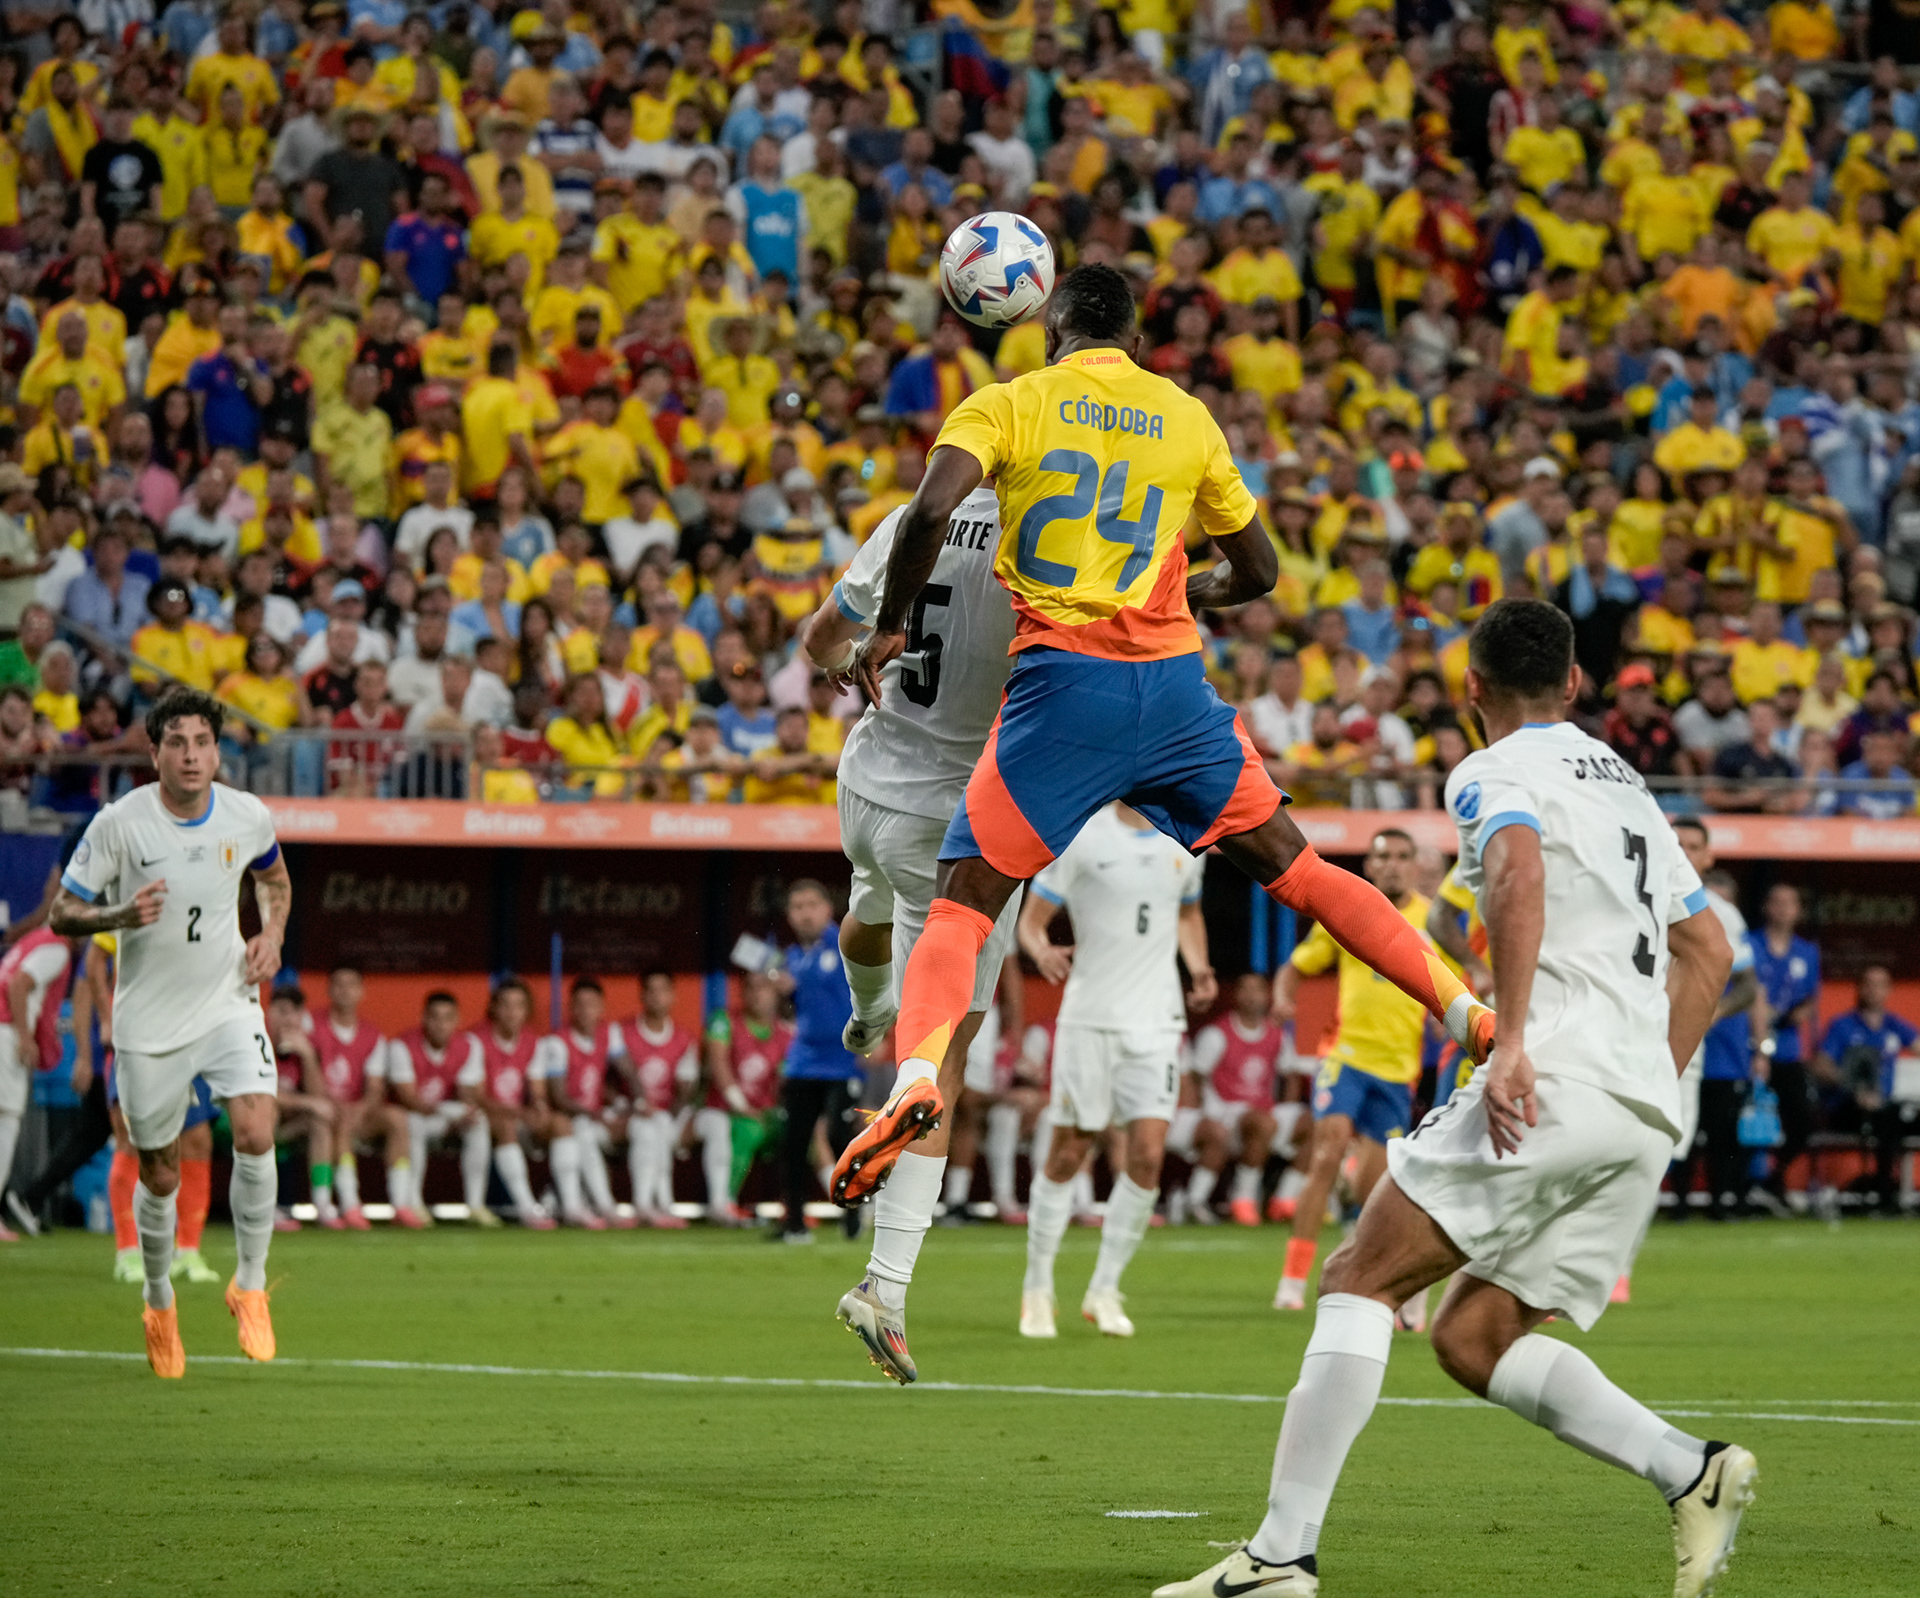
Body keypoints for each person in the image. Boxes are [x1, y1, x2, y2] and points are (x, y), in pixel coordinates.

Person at [829, 265, 1494, 1215]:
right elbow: (1258, 569)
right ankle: (1467, 1011)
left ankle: (916, 1077)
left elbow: (932, 511)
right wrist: (1195, 592)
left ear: (1051, 328)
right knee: (1307, 877)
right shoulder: (1187, 417)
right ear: (1138, 340)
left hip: (1064, 692)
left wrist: (892, 624)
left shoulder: (1011, 401)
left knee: (961, 908)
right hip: (1177, 695)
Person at [1154, 600, 1751, 1598]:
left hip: (1550, 1079)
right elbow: (1711, 950)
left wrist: (1510, 1039)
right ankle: (1691, 1469)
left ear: (1471, 688)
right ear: (1573, 683)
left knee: (1357, 1276)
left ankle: (1279, 1555)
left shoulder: (1488, 769)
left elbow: (1515, 869)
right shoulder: (1629, 785)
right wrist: (1651, 1076)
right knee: (1473, 1336)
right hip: (1641, 1107)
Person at [796, 483, 1023, 1382]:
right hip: (951, 822)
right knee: (943, 1054)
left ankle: (864, 1014)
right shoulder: (1050, 543)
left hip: (864, 782)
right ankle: (885, 1287)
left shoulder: (909, 517)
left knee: (868, 911)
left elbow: (820, 641)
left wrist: (854, 659)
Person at [49, 687, 292, 1379]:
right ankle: (159, 1303)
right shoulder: (120, 824)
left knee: (255, 1130)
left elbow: (276, 882)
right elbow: (64, 912)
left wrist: (270, 934)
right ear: (153, 753)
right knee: (157, 1173)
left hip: (227, 1003)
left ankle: (249, 1285)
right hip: (149, 1024)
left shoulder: (246, 815)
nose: (191, 755)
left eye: (202, 742)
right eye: (177, 743)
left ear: (219, 751)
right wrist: (120, 916)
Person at [1012, 801, 1212, 1339]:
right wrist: (1043, 951)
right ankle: (1037, 1287)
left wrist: (1198, 967)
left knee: (1147, 1155)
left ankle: (1105, 1288)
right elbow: (1032, 923)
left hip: (1158, 1021)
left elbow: (1188, 912)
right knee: (1070, 1150)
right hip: (1091, 1019)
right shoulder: (1081, 834)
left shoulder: (1185, 840)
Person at [1270, 827, 1434, 1311]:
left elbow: (1454, 979)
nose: (1393, 865)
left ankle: (1361, 1255)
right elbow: (1297, 965)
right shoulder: (1349, 910)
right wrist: (1283, 996)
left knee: (1376, 1192)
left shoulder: (1434, 920)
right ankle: (1292, 1282)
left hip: (1398, 1071)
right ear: (1370, 865)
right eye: (1384, 856)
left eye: (1403, 856)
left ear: (1414, 864)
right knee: (1325, 1153)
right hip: (1345, 1057)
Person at [770, 879, 862, 1244]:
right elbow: (789, 1012)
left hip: (843, 1060)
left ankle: (855, 1211)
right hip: (803, 1061)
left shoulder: (847, 943)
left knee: (841, 1137)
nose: (804, 913)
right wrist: (784, 994)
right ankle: (794, 1223)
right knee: (792, 1143)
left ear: (828, 909)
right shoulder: (791, 957)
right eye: (797, 907)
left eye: (811, 905)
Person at [380, 991, 497, 1229]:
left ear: (457, 1020)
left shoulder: (469, 1045)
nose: (441, 1024)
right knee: (410, 1122)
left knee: (478, 1121)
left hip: (443, 1116)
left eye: (447, 1018)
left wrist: (465, 1113)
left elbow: (467, 1092)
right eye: (435, 1017)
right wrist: (448, 1114)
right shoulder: (402, 1045)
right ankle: (413, 1202)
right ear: (424, 1018)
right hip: (415, 1117)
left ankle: (475, 1205)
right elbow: (408, 1098)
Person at [1184, 971, 1291, 1226]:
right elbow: (1196, 1078)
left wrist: (1285, 1105)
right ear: (1236, 995)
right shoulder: (1217, 1034)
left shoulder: (1278, 1036)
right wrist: (1203, 1113)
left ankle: (1286, 1200)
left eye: (1259, 990)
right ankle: (1242, 1200)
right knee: (1262, 1123)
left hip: (1263, 1109)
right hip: (1223, 1110)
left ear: (1268, 996)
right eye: (1246, 990)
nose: (1253, 996)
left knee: (1311, 1123)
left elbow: (1291, 1076)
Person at [1814, 966, 1919, 1214]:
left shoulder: (1893, 1025)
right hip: (1847, 1108)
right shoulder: (1843, 1025)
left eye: (1880, 985)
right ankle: (1884, 1196)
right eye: (1868, 984)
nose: (1873, 991)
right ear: (1860, 988)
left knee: (1893, 1116)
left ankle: (1888, 1192)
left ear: (1889, 990)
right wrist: (1853, 1088)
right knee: (1888, 1119)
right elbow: (1821, 1065)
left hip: (1884, 1110)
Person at [695, 970, 789, 1224]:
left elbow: (784, 1082)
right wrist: (742, 1105)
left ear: (775, 994)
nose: (757, 994)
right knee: (749, 1129)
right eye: (751, 988)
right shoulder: (723, 1021)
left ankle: (795, 1205)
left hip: (765, 1111)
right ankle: (724, 1203)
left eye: (764, 988)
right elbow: (718, 1066)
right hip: (724, 1109)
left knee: (801, 1130)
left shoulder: (783, 1032)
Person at [1748, 884, 1820, 1211]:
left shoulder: (1807, 951)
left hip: (1787, 1047)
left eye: (1790, 903)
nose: (1783, 909)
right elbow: (1746, 992)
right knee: (1744, 1117)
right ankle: (1742, 1187)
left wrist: (1798, 1013)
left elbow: (1811, 997)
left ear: (1798, 910)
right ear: (1766, 907)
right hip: (1749, 1049)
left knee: (1804, 1119)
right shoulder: (1750, 944)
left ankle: (1773, 1179)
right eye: (1776, 902)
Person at [0, 923, 74, 1238]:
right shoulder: (57, 947)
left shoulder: (37, 937)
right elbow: (19, 983)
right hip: (5, 1032)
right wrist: (24, 1036)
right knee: (7, 1120)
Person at [469, 979, 557, 1229]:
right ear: (494, 1008)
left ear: (527, 1010)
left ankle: (571, 1203)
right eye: (505, 1005)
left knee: (561, 1125)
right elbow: (476, 1096)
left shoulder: (533, 1041)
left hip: (518, 1115)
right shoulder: (475, 1040)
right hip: (484, 1116)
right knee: (505, 1126)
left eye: (519, 1006)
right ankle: (526, 1206)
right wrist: (520, 1112)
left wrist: (539, 1105)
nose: (512, 1012)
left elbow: (537, 1088)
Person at [613, 969, 697, 1229]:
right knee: (648, 1127)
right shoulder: (621, 1032)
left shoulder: (684, 1039)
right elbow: (607, 1078)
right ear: (641, 995)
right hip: (626, 1113)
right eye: (651, 990)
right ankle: (646, 1204)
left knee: (658, 1124)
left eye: (663, 990)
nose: (656, 997)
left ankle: (662, 1204)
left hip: (665, 1115)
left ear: (672, 996)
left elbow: (684, 1091)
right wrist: (635, 1104)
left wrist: (668, 1115)